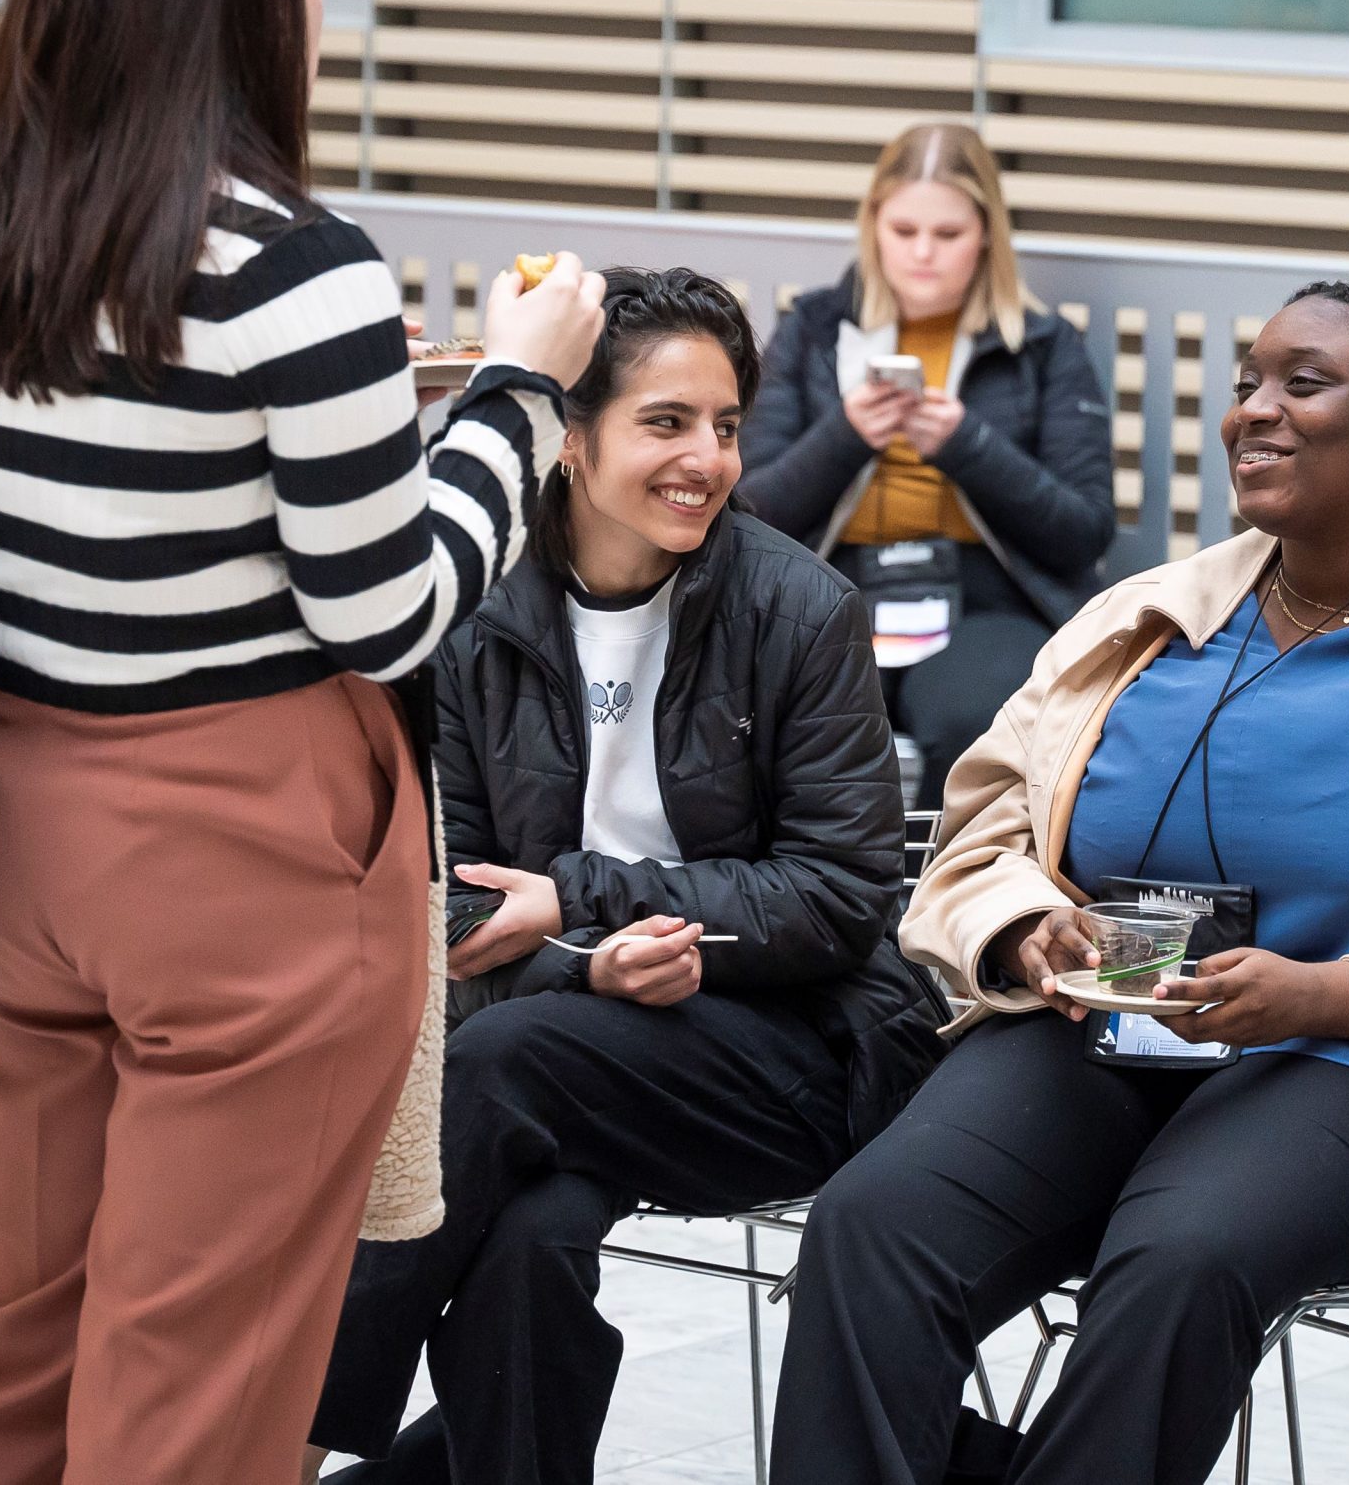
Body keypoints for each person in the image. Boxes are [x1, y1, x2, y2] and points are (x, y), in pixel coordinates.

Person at [0, 0, 603, 1485]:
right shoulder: (295, 271)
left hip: (22, 837)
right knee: (193, 1369)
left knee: (26, 1317)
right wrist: (527, 397)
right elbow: (390, 605)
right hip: (245, 866)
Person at [769, 280, 1349, 1485]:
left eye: (1302, 383)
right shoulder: (1143, 618)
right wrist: (1026, 929)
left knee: (1181, 1252)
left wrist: (1327, 993)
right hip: (1111, 1021)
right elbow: (972, 841)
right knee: (872, 1227)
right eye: (1245, 385)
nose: (1252, 413)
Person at [306, 268, 947, 1485]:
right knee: (526, 1244)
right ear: (570, 436)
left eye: (723, 425)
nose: (704, 457)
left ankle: (283, 1435)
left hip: (789, 1051)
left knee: (494, 1067)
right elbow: (436, 900)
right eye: (665, 422)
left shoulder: (800, 610)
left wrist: (591, 904)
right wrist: (587, 956)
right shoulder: (470, 615)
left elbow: (840, 896)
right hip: (567, 1043)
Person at [740, 122, 1114, 805]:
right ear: (873, 226)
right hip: (836, 587)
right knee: (792, 711)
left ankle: (949, 903)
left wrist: (968, 447)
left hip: (985, 598)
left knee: (974, 718)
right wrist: (847, 434)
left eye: (947, 235)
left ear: (986, 237)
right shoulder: (817, 328)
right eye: (903, 230)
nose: (922, 254)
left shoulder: (1042, 346)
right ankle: (825, 901)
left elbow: (1083, 530)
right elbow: (754, 511)